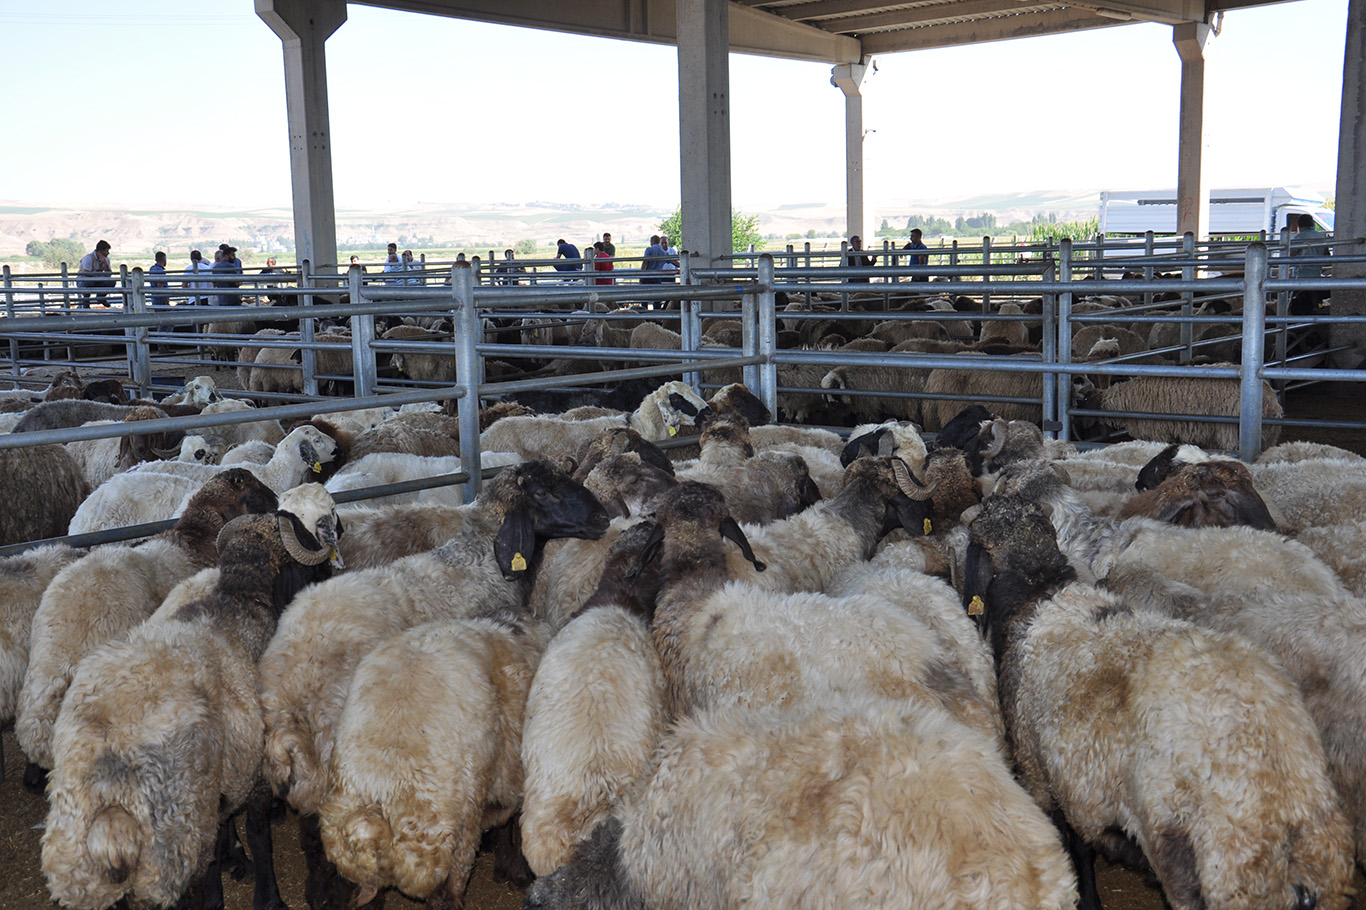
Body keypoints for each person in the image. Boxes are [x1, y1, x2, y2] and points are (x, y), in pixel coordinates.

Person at [1290, 213, 1331, 315]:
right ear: (1312, 224)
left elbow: (1290, 257)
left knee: (1298, 304)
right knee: (1314, 301)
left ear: (1299, 226)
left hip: (1300, 277)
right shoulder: (1322, 237)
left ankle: (1298, 324)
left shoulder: (1298, 238)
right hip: (1316, 275)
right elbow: (1327, 256)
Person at [77, 239, 113, 307]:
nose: (108, 253)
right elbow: (86, 273)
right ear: (100, 252)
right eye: (106, 251)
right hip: (83, 281)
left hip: (97, 280)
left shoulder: (106, 259)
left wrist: (105, 265)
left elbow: (109, 274)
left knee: (111, 282)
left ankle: (100, 297)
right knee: (88, 282)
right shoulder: (88, 258)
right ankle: (86, 301)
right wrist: (100, 276)